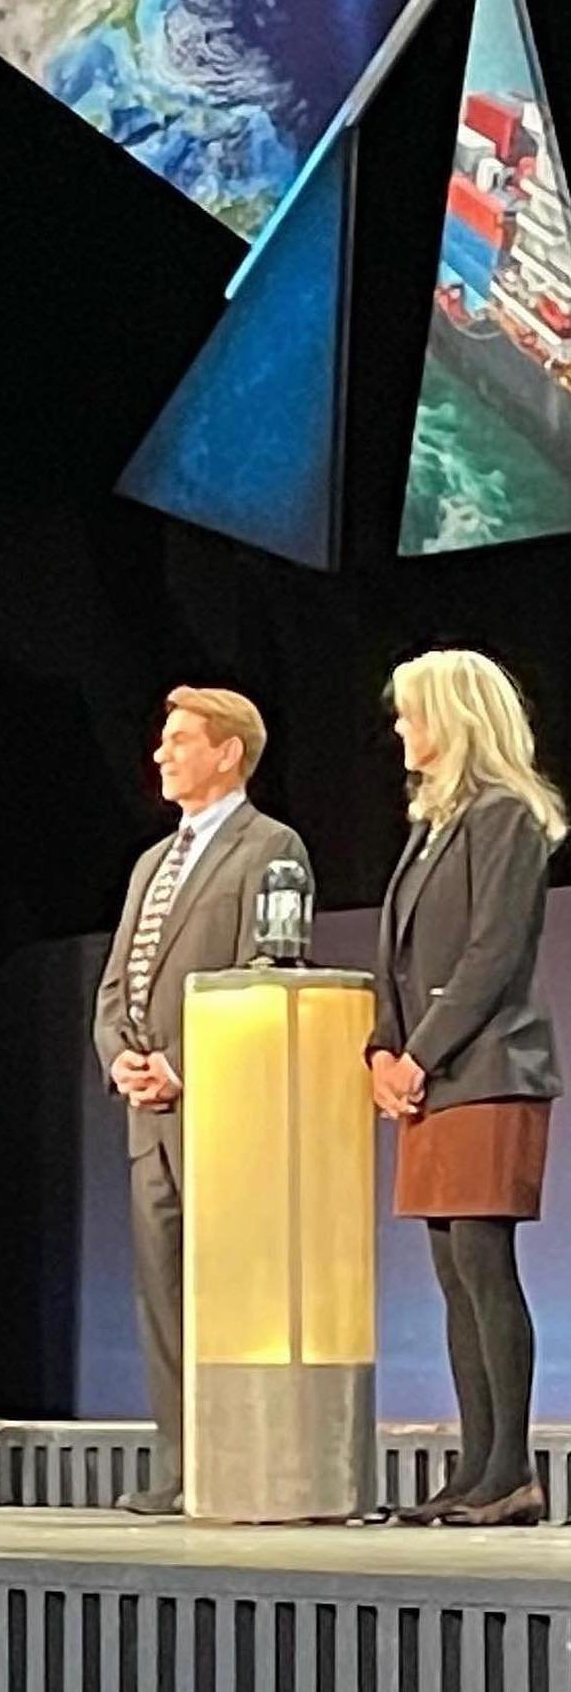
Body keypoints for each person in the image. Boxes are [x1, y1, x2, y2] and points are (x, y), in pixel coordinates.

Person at [93, 686, 310, 1515]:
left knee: (232, 1295)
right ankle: (181, 1469)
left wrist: (182, 1064)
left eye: (181, 739)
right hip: (149, 1118)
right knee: (164, 1296)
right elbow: (117, 983)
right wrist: (121, 1059)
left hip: (222, 1112)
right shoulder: (152, 861)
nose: (162, 752)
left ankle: (238, 1465)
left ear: (228, 752)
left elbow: (269, 970)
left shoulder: (270, 846)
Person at [370, 650, 562, 1528]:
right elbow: (401, 960)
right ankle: (476, 1469)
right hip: (434, 1077)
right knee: (452, 1272)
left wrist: (420, 1054)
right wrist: (382, 1048)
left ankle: (512, 1471)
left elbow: (493, 953)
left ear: (453, 716)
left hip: (488, 1069)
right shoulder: (431, 826)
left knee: (485, 1263)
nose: (401, 727)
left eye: (412, 712)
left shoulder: (504, 815)